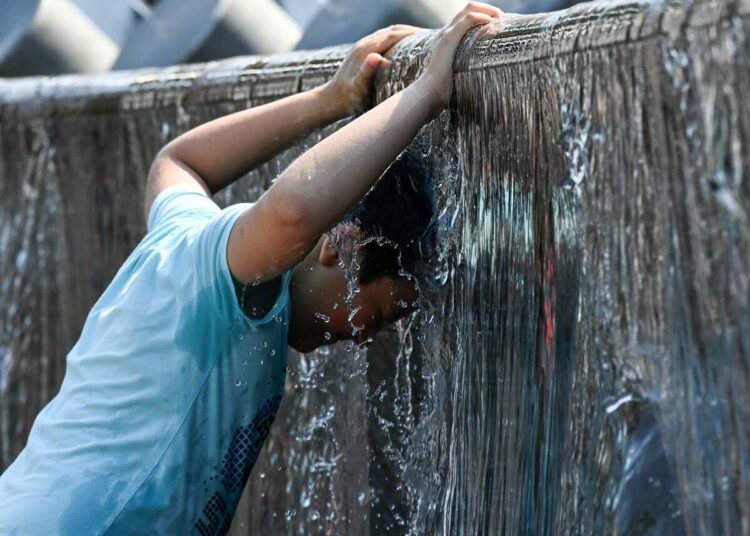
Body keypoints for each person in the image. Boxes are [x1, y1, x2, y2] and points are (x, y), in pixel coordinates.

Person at [0, 3, 503, 534]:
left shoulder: (187, 236)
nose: (361, 338)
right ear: (344, 246)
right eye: (375, 316)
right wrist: (425, 92)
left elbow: (178, 162)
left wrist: (328, 100)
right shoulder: (241, 285)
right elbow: (291, 212)